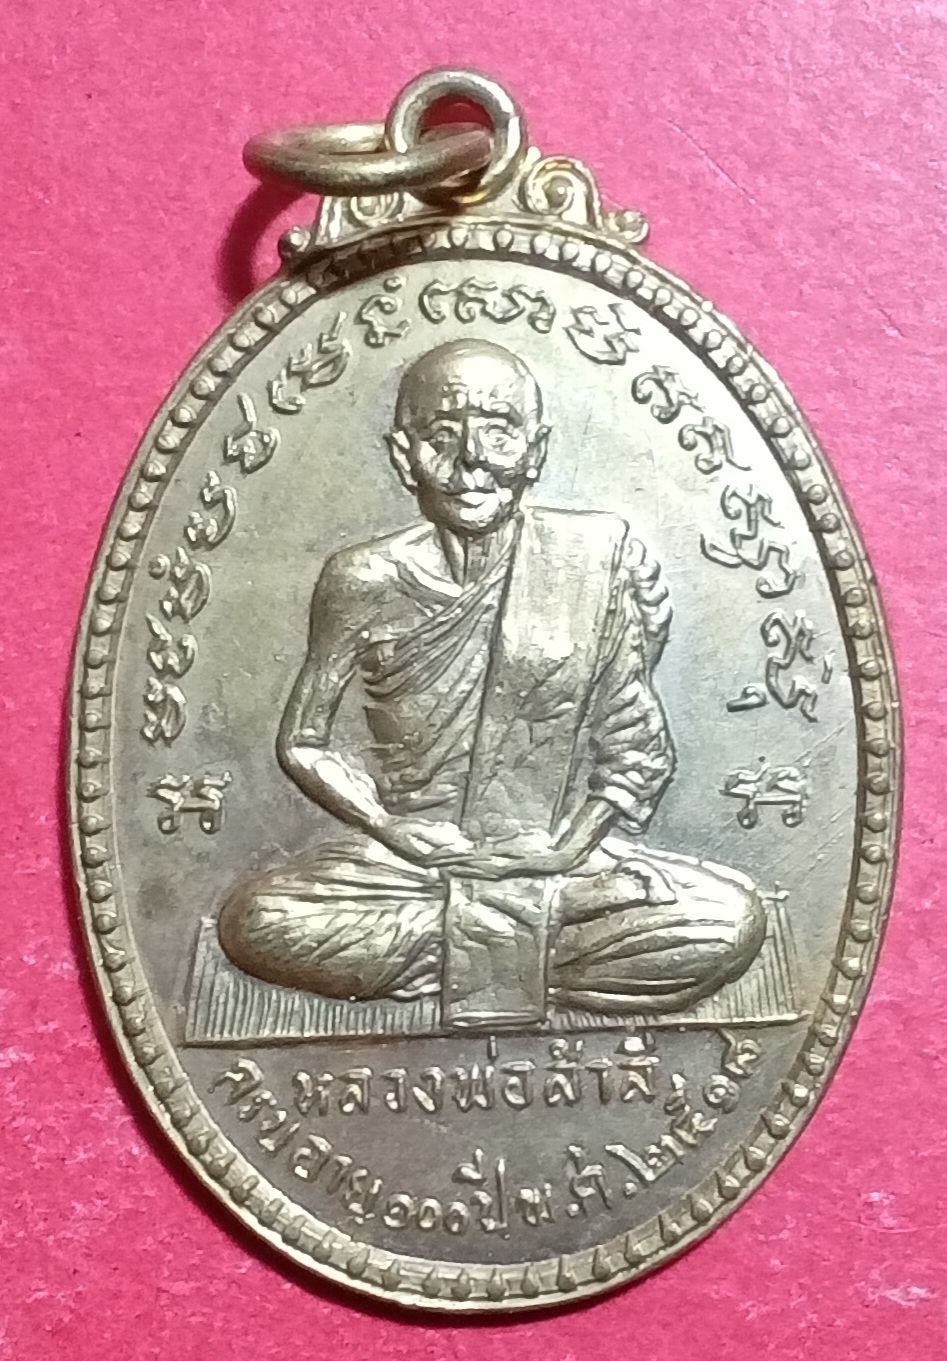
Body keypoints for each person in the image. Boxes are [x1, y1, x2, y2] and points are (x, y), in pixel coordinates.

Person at [218, 338, 765, 1026]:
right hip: (411, 865)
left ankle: (471, 945)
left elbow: (635, 746)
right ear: (403, 456)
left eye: (499, 433)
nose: (471, 460)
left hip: (560, 858)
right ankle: (531, 943)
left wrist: (565, 849)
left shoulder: (591, 558)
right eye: (441, 437)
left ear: (535, 451)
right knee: (257, 920)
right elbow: (304, 743)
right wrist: (392, 828)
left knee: (727, 920)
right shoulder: (362, 578)